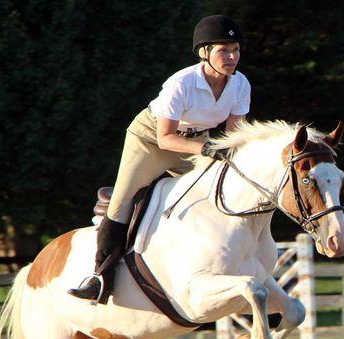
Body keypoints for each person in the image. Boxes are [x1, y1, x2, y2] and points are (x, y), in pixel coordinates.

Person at [68, 15, 250, 302]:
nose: (231, 57)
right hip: (151, 139)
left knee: (219, 187)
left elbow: (234, 136)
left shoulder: (240, 85)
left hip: (195, 141)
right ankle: (99, 277)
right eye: (223, 51)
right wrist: (206, 150)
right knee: (122, 203)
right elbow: (166, 138)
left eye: (235, 50)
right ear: (204, 53)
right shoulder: (182, 82)